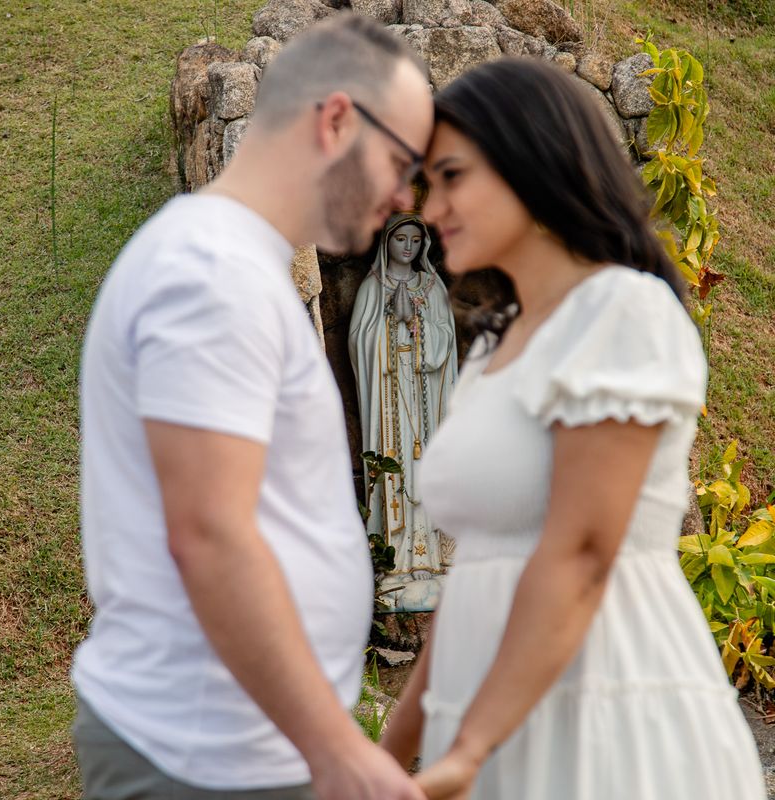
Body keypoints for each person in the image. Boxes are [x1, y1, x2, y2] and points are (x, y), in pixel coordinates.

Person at [379, 57, 767, 800]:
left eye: (452, 176)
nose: (429, 211)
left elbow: (584, 552)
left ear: (534, 162)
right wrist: (388, 754)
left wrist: (468, 747)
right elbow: (478, 570)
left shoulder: (622, 311)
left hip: (602, 711)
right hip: (487, 725)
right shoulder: (495, 346)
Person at [71, 13, 433, 800]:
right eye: (403, 162)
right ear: (338, 118)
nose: (407, 197)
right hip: (205, 761)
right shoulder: (211, 272)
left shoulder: (240, 265)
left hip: (237, 752)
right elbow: (210, 533)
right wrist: (337, 748)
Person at [349, 213, 457, 611]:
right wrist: (389, 324)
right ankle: (395, 562)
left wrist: (420, 325)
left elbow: (447, 341)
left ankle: (430, 559)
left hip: (427, 399)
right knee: (398, 473)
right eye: (401, 240)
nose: (408, 248)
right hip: (390, 400)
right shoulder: (371, 288)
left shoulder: (433, 287)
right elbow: (360, 343)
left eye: (415, 240)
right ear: (387, 243)